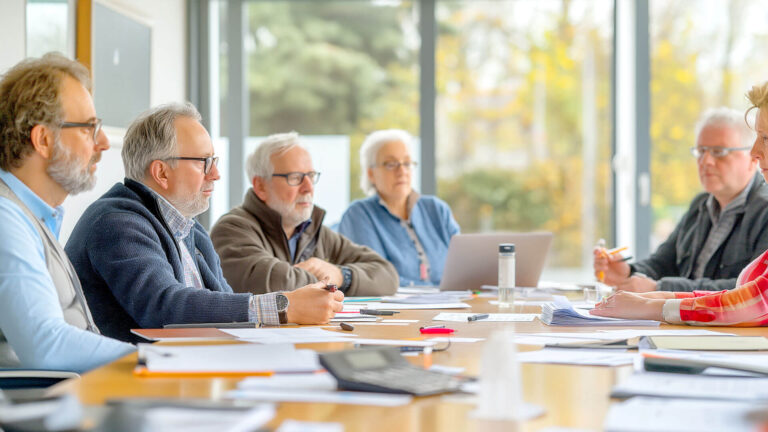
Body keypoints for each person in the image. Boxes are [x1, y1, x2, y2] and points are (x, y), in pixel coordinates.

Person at [65, 104, 343, 343]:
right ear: (161, 172)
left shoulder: (190, 229)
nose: (216, 174)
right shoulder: (115, 223)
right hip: (128, 380)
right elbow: (164, 307)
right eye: (204, 162)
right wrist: (284, 306)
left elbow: (226, 309)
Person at [591, 81, 768, 326]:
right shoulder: (700, 206)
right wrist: (629, 272)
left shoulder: (763, 210)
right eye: (701, 151)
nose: (705, 161)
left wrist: (655, 294)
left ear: (750, 162)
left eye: (718, 152)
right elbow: (664, 261)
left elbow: (747, 296)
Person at [0, 53, 135, 372]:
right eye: (89, 128)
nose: (103, 143)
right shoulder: (5, 217)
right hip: (38, 402)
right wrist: (152, 361)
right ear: (43, 140)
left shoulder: (33, 216)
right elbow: (45, 344)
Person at [210, 132, 398, 296]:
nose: (308, 188)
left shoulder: (313, 230)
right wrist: (328, 278)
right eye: (295, 178)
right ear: (261, 186)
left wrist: (341, 275)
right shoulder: (232, 229)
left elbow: (387, 275)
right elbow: (273, 283)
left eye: (311, 176)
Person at [338, 129, 460, 286]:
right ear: (371, 174)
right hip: (397, 302)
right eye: (391, 164)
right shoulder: (358, 215)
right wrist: (436, 290)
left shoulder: (437, 209)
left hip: (451, 299)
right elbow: (376, 278)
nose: (402, 171)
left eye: (407, 163)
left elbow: (462, 265)